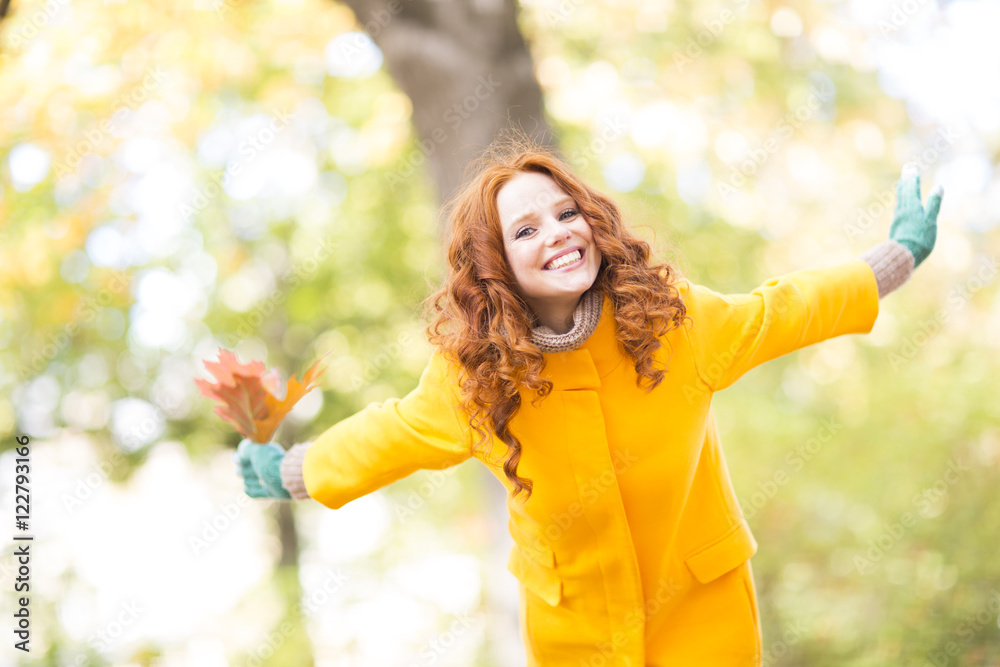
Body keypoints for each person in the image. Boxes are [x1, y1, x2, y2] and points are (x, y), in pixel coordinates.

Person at [234, 138, 943, 666]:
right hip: (576, 636)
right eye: (526, 229)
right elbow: (386, 437)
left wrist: (895, 257)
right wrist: (293, 470)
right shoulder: (474, 381)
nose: (558, 233)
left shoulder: (674, 323)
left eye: (566, 212)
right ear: (495, 265)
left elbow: (782, 310)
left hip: (704, 617)